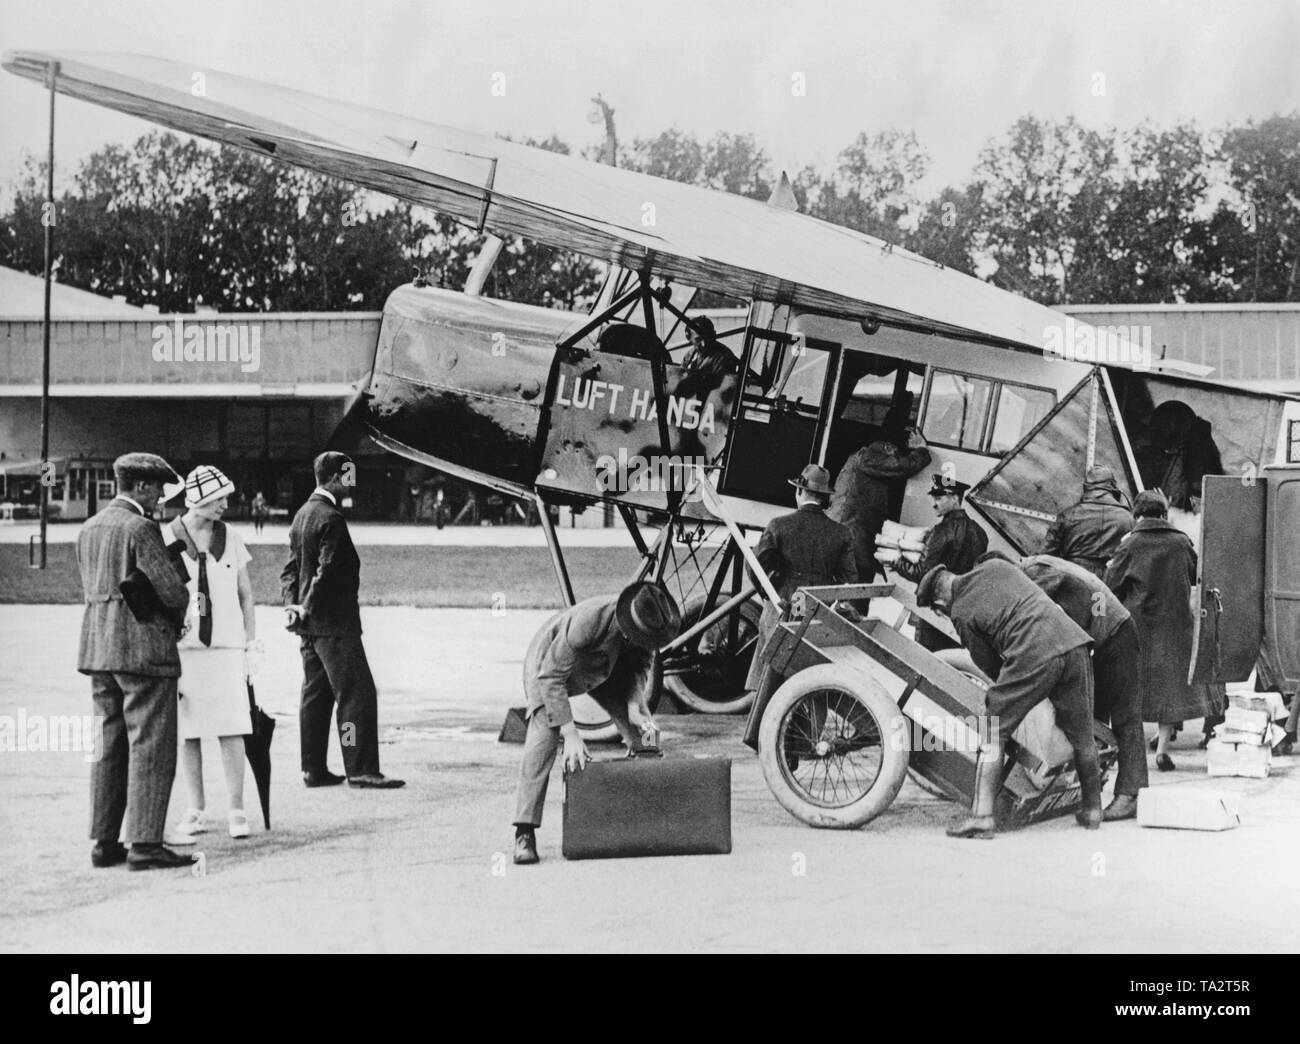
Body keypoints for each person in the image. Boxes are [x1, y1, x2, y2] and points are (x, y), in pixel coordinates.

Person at [917, 558, 1102, 838]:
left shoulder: (962, 613)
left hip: (1035, 652)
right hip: (1074, 642)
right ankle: (1092, 810)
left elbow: (989, 665)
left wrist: (1011, 695)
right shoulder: (995, 567)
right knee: (1082, 733)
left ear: (939, 605)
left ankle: (982, 817)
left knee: (993, 729)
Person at [76, 452, 196, 871]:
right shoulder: (142, 528)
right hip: (143, 649)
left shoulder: (89, 528)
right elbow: (172, 591)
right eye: (159, 489)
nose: (161, 498)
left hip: (98, 647)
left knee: (109, 745)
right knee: (150, 744)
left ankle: (105, 842)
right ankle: (145, 843)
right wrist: (180, 616)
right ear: (141, 487)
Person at [512, 582, 681, 865]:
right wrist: (572, 735)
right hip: (549, 670)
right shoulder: (588, 622)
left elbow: (640, 667)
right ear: (628, 625)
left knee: (648, 733)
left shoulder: (652, 625)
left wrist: (632, 707)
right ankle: (524, 831)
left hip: (606, 671)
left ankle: (648, 815)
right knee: (544, 739)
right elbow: (551, 678)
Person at [281, 452, 404, 789]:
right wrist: (306, 606)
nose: (353, 480)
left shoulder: (302, 515)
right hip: (334, 624)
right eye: (348, 474)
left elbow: (290, 570)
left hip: (310, 628)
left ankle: (313, 768)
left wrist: (292, 606)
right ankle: (360, 767)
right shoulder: (331, 518)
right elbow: (327, 569)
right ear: (334, 477)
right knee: (356, 696)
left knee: (316, 696)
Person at [1015, 552, 1148, 820]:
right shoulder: (1039, 566)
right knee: (1091, 715)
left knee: (1125, 716)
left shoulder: (1035, 572)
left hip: (1114, 633)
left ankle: (1130, 794)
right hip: (1104, 634)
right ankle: (1090, 791)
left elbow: (1043, 613)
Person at [165, 466, 259, 841]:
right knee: (188, 732)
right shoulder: (168, 537)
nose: (225, 504)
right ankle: (196, 807)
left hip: (225, 647)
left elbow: (245, 594)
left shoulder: (230, 536)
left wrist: (251, 643)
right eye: (219, 498)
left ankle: (236, 808)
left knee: (232, 728)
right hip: (185, 651)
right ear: (199, 500)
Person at [1104, 488, 1225, 772]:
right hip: (1175, 628)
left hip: (1138, 628)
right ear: (1164, 513)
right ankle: (1162, 750)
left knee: (1134, 690)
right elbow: (1199, 574)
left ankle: (1126, 751)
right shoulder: (1180, 543)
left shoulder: (1130, 545)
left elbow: (1110, 585)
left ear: (1137, 514)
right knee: (1168, 690)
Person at [741, 464, 857, 749]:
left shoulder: (779, 525)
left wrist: (767, 594)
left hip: (783, 607)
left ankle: (763, 739)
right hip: (819, 613)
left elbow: (755, 568)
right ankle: (804, 744)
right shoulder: (841, 533)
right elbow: (849, 580)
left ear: (800, 491)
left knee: (772, 675)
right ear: (824, 497)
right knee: (812, 680)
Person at [890, 474, 988, 650]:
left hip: (933, 613)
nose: (933, 504)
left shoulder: (941, 532)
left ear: (954, 498)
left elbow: (922, 572)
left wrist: (896, 562)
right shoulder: (980, 533)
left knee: (924, 664)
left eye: (939, 498)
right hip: (959, 615)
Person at [828, 423, 931, 590]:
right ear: (887, 446)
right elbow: (902, 466)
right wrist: (921, 450)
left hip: (846, 538)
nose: (895, 455)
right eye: (894, 451)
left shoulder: (859, 457)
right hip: (853, 543)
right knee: (853, 597)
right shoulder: (869, 457)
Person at [1042, 465, 1134, 577]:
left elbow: (1044, 554)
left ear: (1087, 487)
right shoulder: (1128, 518)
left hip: (1072, 579)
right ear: (1112, 486)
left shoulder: (1069, 515)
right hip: (1110, 584)